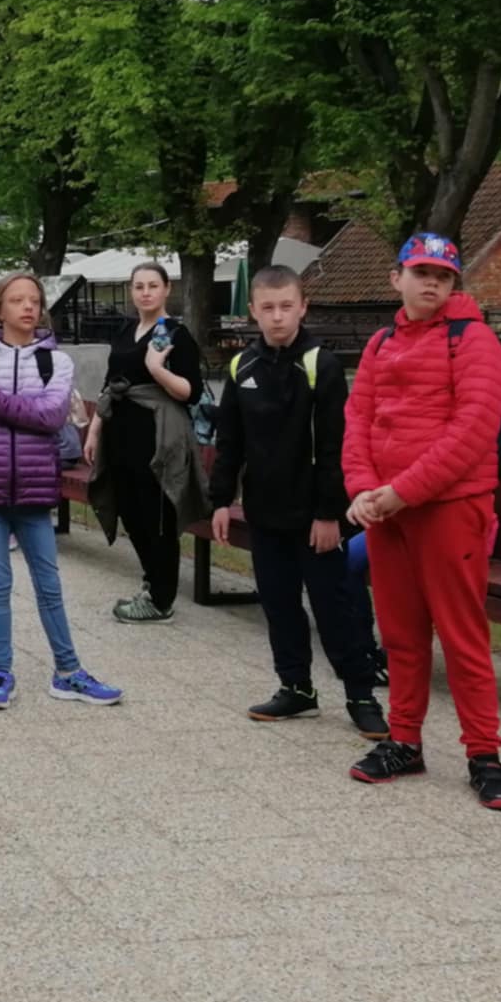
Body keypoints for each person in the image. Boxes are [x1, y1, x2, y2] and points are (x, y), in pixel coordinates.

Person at [343, 234, 501, 811]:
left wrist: (400, 491)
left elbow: (473, 431)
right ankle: (404, 741)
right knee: (400, 633)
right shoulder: (380, 343)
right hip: (388, 509)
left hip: (449, 508)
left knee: (462, 635)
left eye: (443, 276)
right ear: (397, 278)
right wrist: (363, 489)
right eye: (421, 272)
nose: (432, 283)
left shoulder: (475, 341)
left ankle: (485, 756)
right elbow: (358, 418)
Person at [209, 266, 386, 739]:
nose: (277, 317)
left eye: (286, 306)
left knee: (334, 608)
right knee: (279, 604)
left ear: (303, 307)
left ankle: (361, 695)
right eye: (267, 308)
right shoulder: (241, 367)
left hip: (315, 519)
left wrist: (329, 514)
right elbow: (230, 441)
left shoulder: (320, 365)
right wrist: (221, 500)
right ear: (252, 311)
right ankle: (296, 688)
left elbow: (335, 447)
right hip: (265, 513)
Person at [0, 273, 123, 710]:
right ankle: (1, 673)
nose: (27, 307)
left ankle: (68, 673)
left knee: (49, 586)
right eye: (17, 300)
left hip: (35, 494)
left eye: (34, 301)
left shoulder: (55, 363)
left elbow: (50, 417)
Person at [87, 261, 208, 625]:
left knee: (157, 515)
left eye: (153, 285)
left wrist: (157, 370)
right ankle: (152, 581)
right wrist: (94, 429)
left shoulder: (175, 334)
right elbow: (110, 382)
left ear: (167, 289)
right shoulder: (127, 330)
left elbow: (191, 391)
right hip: (120, 432)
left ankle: (161, 598)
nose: (145, 293)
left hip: (156, 436)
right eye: (139, 286)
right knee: (129, 509)